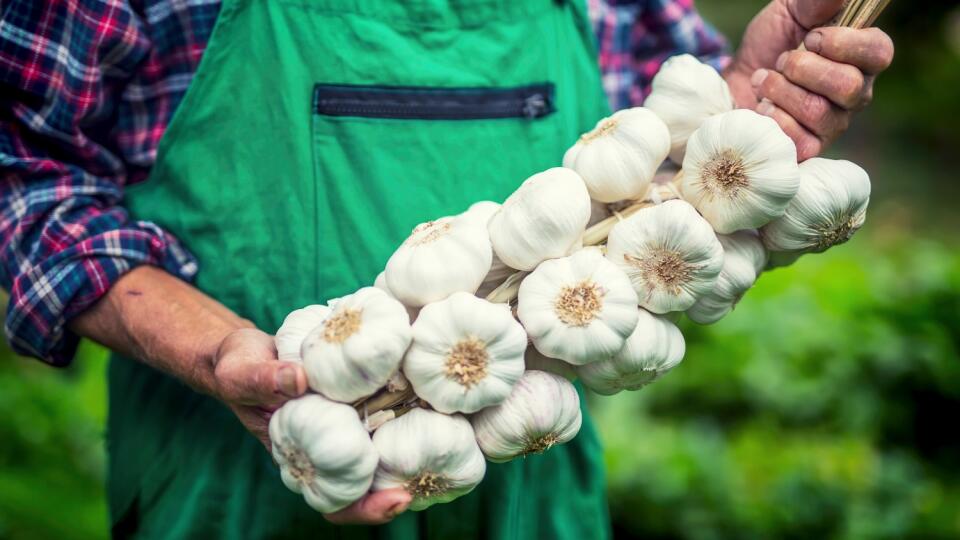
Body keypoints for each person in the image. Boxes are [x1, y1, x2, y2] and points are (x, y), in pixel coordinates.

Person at [0, 0, 892, 537]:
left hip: (534, 495)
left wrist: (740, 124)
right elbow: (19, 177)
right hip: (225, 498)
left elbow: (658, 224)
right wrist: (215, 349)